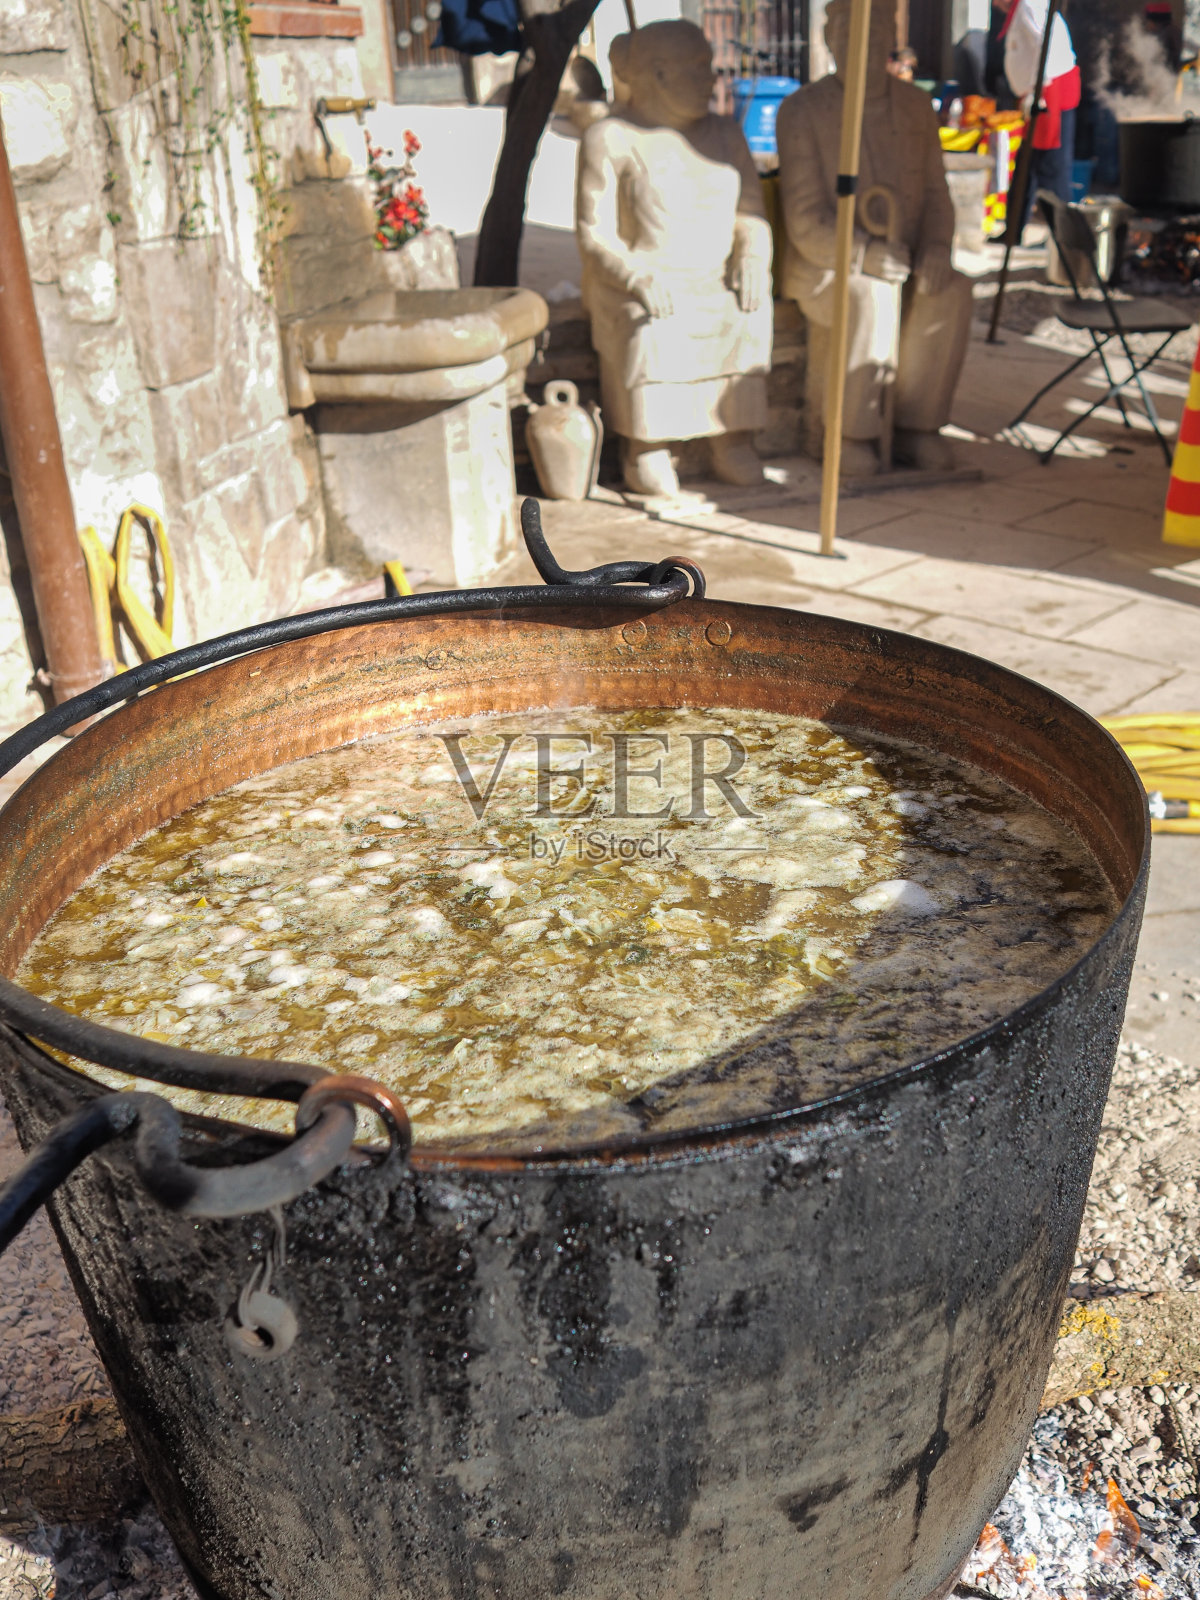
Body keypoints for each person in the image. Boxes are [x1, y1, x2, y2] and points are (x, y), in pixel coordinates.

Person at [574, 20, 773, 498]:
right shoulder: (611, 137)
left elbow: (751, 215)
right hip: (642, 278)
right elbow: (594, 234)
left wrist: (752, 254)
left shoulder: (726, 135)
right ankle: (647, 445)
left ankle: (732, 436)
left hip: (714, 277)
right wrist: (635, 275)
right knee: (653, 323)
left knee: (749, 310)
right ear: (659, 74)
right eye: (700, 68)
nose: (712, 80)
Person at [776, 0, 972, 476]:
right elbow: (804, 218)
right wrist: (864, 252)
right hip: (827, 264)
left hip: (907, 254)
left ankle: (916, 426)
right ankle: (851, 433)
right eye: (848, 36)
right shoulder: (802, 111)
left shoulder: (916, 106)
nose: (861, 46)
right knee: (869, 293)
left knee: (951, 290)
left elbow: (936, 194)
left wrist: (936, 247)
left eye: (873, 34)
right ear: (831, 41)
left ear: (889, 40)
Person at [996, 0, 1079, 207]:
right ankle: (1015, 223)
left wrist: (1037, 92)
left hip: (1048, 92)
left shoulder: (1029, 5)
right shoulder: (1024, 7)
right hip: (1039, 91)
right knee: (1027, 166)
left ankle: (1060, 225)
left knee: (1051, 166)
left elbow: (1046, 47)